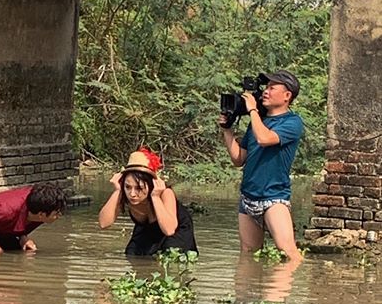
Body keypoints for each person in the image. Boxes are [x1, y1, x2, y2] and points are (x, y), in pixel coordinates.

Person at [219, 70, 304, 263]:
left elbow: (265, 139)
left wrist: (252, 110)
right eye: (266, 87)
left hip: (274, 197)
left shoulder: (292, 122)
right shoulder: (258, 123)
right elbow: (239, 159)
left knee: (288, 252)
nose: (265, 91)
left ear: (287, 96)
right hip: (248, 196)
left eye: (272, 88)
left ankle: (286, 290)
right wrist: (227, 130)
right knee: (248, 254)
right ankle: (249, 292)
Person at [98, 148, 198, 256]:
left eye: (139, 188)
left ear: (151, 185)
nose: (132, 194)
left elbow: (169, 230)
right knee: (131, 254)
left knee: (169, 254)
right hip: (146, 229)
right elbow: (104, 223)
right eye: (128, 187)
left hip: (176, 230)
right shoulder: (123, 193)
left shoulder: (165, 194)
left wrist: (155, 197)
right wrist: (117, 191)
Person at [0, 182, 66, 254]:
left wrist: (23, 238)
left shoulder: (39, 206)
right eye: (56, 212)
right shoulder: (1, 210)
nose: (59, 215)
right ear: (41, 215)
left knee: (23, 252)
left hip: (3, 232)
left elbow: (21, 219)